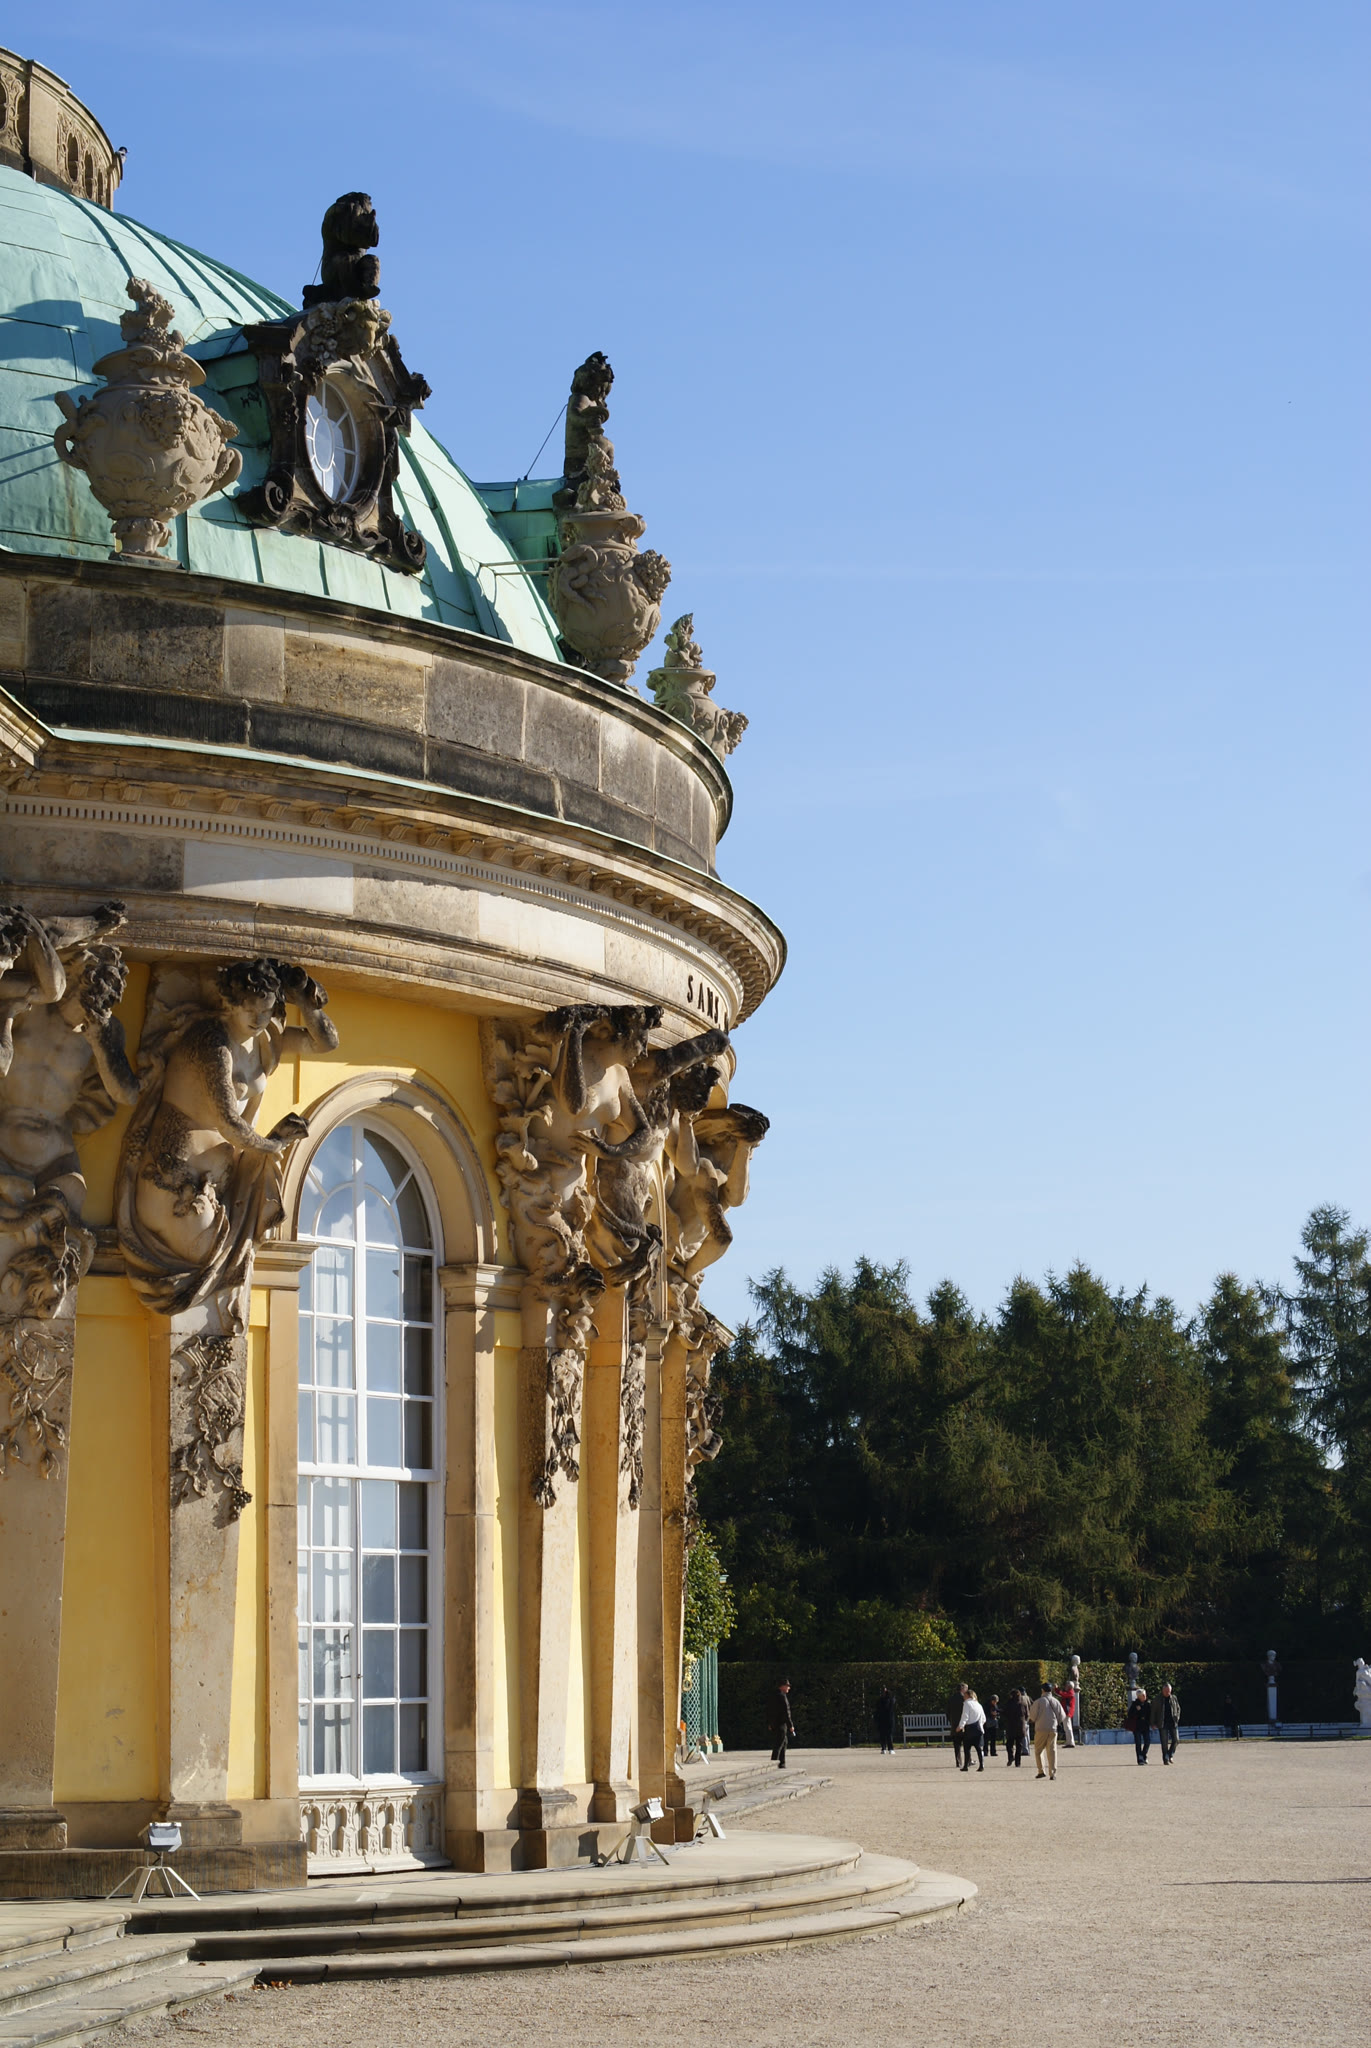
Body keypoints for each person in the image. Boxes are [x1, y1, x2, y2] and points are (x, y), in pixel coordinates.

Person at [1029, 1682, 1066, 1780]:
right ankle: (1052, 1773)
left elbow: (1032, 1716)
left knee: (1038, 1750)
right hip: (1053, 1728)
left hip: (1041, 1728)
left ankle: (1041, 1771)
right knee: (1052, 1750)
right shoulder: (1056, 1701)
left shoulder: (1038, 1702)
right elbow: (1062, 1716)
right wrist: (1056, 1722)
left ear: (1042, 1690)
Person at [768, 1679, 795, 1768]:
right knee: (779, 1744)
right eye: (787, 1686)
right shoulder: (782, 1697)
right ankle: (774, 1764)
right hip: (781, 1724)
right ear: (782, 1686)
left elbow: (770, 1711)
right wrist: (790, 1725)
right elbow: (786, 1712)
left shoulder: (773, 1696)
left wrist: (770, 1723)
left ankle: (781, 1763)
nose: (788, 1688)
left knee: (783, 1742)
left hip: (775, 1724)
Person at [1152, 1682, 1181, 1764]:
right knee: (1164, 1742)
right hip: (1162, 1723)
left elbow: (1178, 1708)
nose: (1168, 1693)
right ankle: (1165, 1759)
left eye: (1169, 1691)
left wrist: (1177, 1717)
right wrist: (1153, 1723)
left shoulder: (1174, 1698)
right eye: (1166, 1691)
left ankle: (1170, 1754)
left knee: (1176, 1740)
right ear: (1162, 1690)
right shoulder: (1157, 1699)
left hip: (1173, 1722)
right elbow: (1153, 1712)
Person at [958, 1690, 987, 1772]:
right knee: (979, 1748)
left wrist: (960, 1726)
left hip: (970, 1729)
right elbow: (984, 1718)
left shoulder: (967, 1703)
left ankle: (966, 1766)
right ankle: (981, 1765)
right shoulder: (978, 1704)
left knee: (967, 1748)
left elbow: (965, 1716)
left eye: (965, 1695)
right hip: (979, 1728)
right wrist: (980, 1724)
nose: (963, 1697)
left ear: (968, 1695)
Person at [945, 1681, 969, 1768]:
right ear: (963, 1689)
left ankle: (958, 1762)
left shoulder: (951, 1698)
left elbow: (947, 1712)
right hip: (964, 1724)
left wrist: (951, 1721)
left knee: (957, 1745)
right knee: (967, 1744)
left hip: (954, 1724)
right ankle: (968, 1761)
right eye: (966, 1689)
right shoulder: (965, 1699)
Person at [1003, 1688, 1029, 1768]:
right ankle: (1018, 1762)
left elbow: (1005, 1713)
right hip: (1020, 1726)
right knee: (1019, 1745)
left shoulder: (1009, 1703)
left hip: (1011, 1725)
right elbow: (1027, 1714)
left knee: (1009, 1744)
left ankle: (1011, 1757)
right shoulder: (1023, 1703)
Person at [1127, 1685, 1151, 1765]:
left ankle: (1144, 1755)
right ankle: (1140, 1759)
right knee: (1138, 1743)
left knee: (1147, 1741)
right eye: (1142, 1695)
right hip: (1137, 1726)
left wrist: (1152, 1723)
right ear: (1139, 1696)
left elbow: (1151, 1714)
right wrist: (1136, 1711)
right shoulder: (1134, 1704)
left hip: (1145, 1725)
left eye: (1145, 1695)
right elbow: (1130, 1715)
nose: (1144, 1696)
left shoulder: (1148, 1704)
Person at [874, 1685, 897, 1755]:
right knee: (882, 1734)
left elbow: (893, 1703)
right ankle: (883, 1748)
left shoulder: (890, 1699)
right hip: (882, 1719)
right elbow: (877, 1710)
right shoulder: (880, 1700)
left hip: (889, 1719)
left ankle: (890, 1748)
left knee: (889, 1734)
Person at [1057, 1675, 1077, 1748]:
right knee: (1067, 1727)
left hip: (1067, 1711)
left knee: (1068, 1727)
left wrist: (1057, 1689)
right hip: (1067, 1711)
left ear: (1069, 1687)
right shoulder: (1070, 1692)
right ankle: (1069, 1741)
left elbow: (1062, 1694)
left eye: (1066, 1685)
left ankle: (1070, 1742)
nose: (1065, 1686)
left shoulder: (1070, 1693)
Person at [983, 1693, 1002, 1760]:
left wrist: (997, 1713)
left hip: (994, 1722)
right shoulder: (986, 1705)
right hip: (987, 1722)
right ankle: (985, 1751)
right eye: (995, 1701)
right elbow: (984, 1713)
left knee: (993, 1738)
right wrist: (990, 1713)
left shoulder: (995, 1705)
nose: (995, 1703)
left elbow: (998, 1711)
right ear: (992, 1700)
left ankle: (993, 1751)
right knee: (986, 1738)